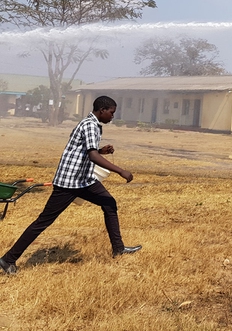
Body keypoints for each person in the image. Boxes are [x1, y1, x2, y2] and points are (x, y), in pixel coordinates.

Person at [0, 96, 141, 275]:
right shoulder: (90, 125)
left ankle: (118, 248)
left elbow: (87, 151)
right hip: (69, 182)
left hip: (84, 180)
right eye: (112, 112)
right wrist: (121, 171)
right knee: (43, 222)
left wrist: (102, 150)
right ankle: (8, 259)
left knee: (109, 204)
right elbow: (93, 156)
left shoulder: (93, 124)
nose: (113, 116)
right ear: (102, 110)